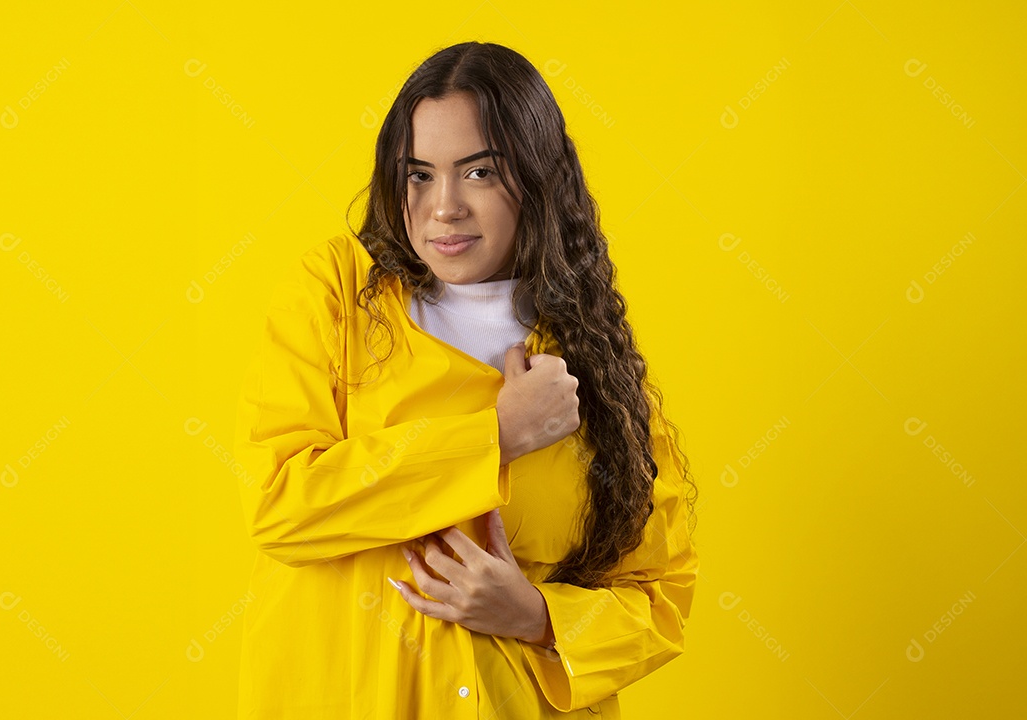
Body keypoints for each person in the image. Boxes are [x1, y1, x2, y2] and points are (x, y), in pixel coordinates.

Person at [232, 40, 699, 719]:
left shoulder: (589, 360)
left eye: (479, 173)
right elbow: (283, 504)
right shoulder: (336, 295)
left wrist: (537, 617)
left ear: (538, 180)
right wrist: (497, 437)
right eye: (418, 174)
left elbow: (660, 595)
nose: (443, 206)